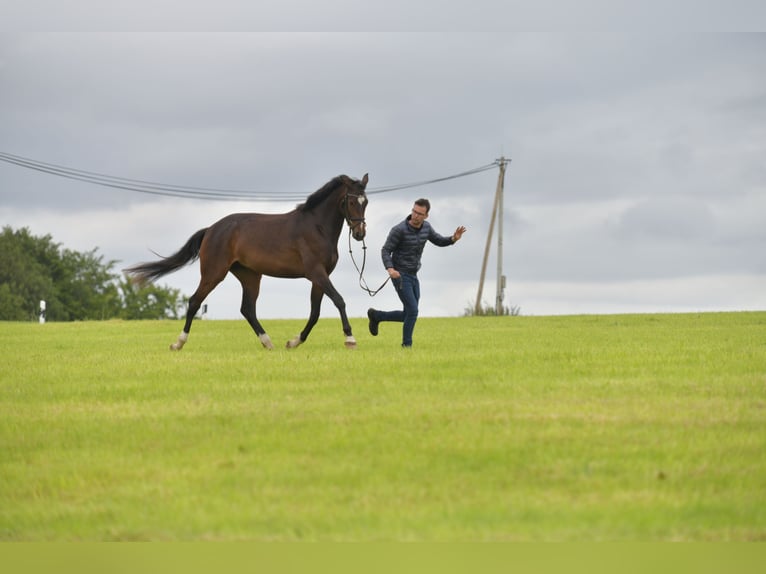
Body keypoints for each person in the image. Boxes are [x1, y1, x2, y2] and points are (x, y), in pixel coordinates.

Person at [368, 198, 466, 348]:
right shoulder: (398, 230)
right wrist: (390, 269)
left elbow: (438, 240)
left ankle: (377, 316)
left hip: (414, 275)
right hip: (400, 275)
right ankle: (407, 346)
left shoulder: (426, 228)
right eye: (414, 211)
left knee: (408, 314)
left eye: (420, 213)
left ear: (426, 216)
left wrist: (453, 239)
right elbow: (386, 250)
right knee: (413, 311)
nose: (415, 215)